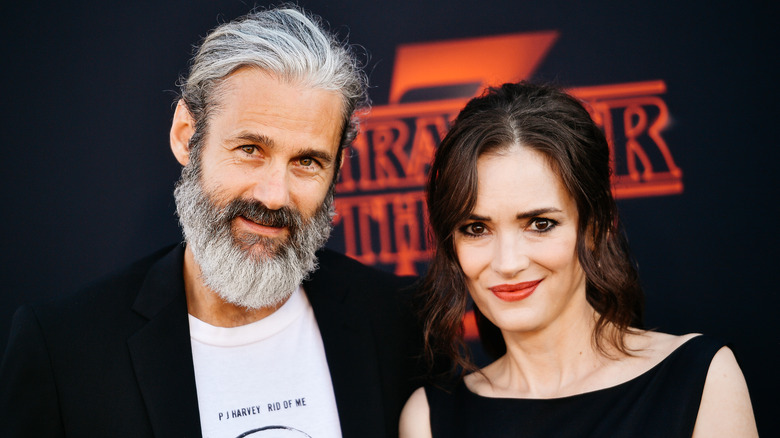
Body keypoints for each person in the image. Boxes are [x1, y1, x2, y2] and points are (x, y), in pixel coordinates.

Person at [0, 6, 425, 437]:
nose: (274, 194)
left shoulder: (400, 323)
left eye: (307, 161)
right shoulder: (64, 351)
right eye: (250, 149)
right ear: (187, 136)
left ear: (337, 169)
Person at [399, 82, 758, 437]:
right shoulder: (430, 420)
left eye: (540, 224)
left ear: (594, 226)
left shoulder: (698, 380)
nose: (508, 263)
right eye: (476, 228)